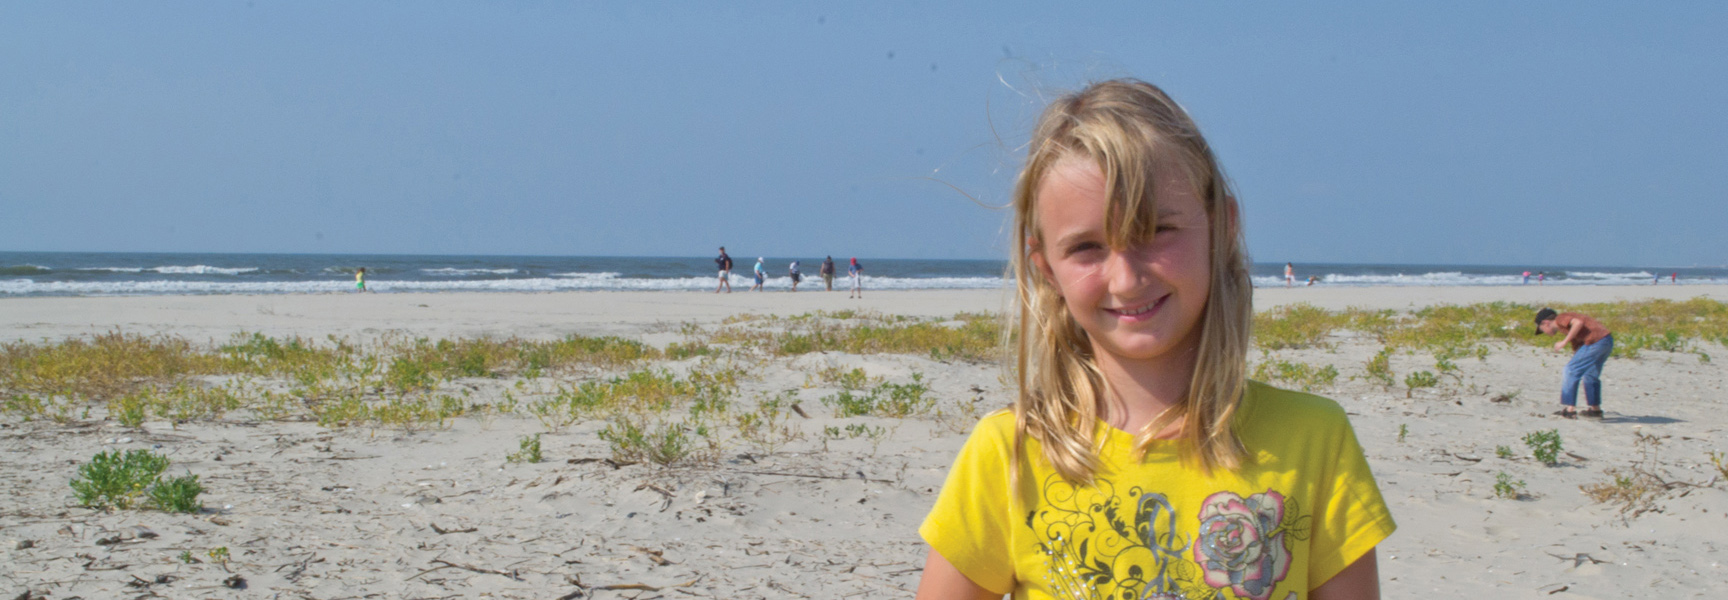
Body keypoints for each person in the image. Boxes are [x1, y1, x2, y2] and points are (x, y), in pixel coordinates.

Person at [915, 79, 1393, 600]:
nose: (1125, 278)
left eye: (1156, 230)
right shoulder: (1009, 454)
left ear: (1222, 226)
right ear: (1046, 266)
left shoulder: (1314, 440)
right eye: (1087, 247)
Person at [1534, 308, 1613, 419]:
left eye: (1541, 329)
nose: (1544, 333)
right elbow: (1578, 345)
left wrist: (1563, 342)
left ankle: (1570, 409)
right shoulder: (1566, 328)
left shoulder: (1560, 319)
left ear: (1545, 323)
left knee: (1570, 370)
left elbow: (1578, 322)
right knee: (1590, 374)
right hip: (1606, 340)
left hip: (1595, 341)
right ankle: (1596, 410)